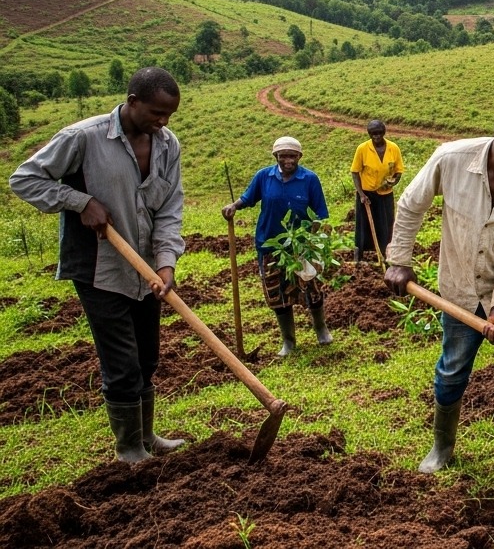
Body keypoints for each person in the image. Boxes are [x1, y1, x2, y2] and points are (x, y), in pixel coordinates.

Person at [383, 96, 494, 502]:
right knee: (452, 370)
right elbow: (411, 206)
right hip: (461, 289)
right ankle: (442, 448)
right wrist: (399, 260)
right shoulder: (451, 159)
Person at [9, 67, 187, 463]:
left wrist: (166, 263)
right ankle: (128, 449)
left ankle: (147, 437)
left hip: (146, 268)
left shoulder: (167, 144)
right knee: (121, 362)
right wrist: (80, 202)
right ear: (133, 101)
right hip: (98, 267)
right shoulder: (83, 138)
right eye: (157, 113)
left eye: (169, 115)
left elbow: (170, 208)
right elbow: (24, 179)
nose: (163, 122)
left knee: (147, 357)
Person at [222, 136, 331, 357]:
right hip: (270, 244)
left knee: (312, 286)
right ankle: (289, 341)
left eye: (292, 156)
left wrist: (311, 240)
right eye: (283, 156)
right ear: (276, 157)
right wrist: (234, 206)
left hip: (302, 245)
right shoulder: (264, 176)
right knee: (276, 292)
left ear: (299, 157)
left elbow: (320, 214)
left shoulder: (310, 179)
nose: (288, 160)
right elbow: (248, 198)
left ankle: (321, 329)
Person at [349, 119, 403, 264]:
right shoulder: (362, 149)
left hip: (385, 195)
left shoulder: (393, 148)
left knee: (386, 225)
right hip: (367, 195)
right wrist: (361, 194)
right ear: (369, 134)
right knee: (363, 227)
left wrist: (394, 181)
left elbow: (399, 171)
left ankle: (385, 256)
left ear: (384, 132)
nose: (376, 136)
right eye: (373, 134)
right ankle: (359, 258)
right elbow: (355, 172)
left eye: (379, 133)